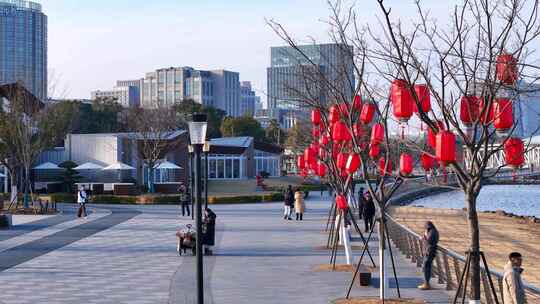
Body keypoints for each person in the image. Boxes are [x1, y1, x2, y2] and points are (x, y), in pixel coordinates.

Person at [418, 221, 439, 290]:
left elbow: (429, 241)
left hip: (429, 252)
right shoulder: (433, 231)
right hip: (429, 251)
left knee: (426, 266)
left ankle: (427, 284)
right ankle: (426, 283)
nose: (425, 229)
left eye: (426, 227)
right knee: (426, 267)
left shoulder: (432, 232)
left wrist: (423, 237)